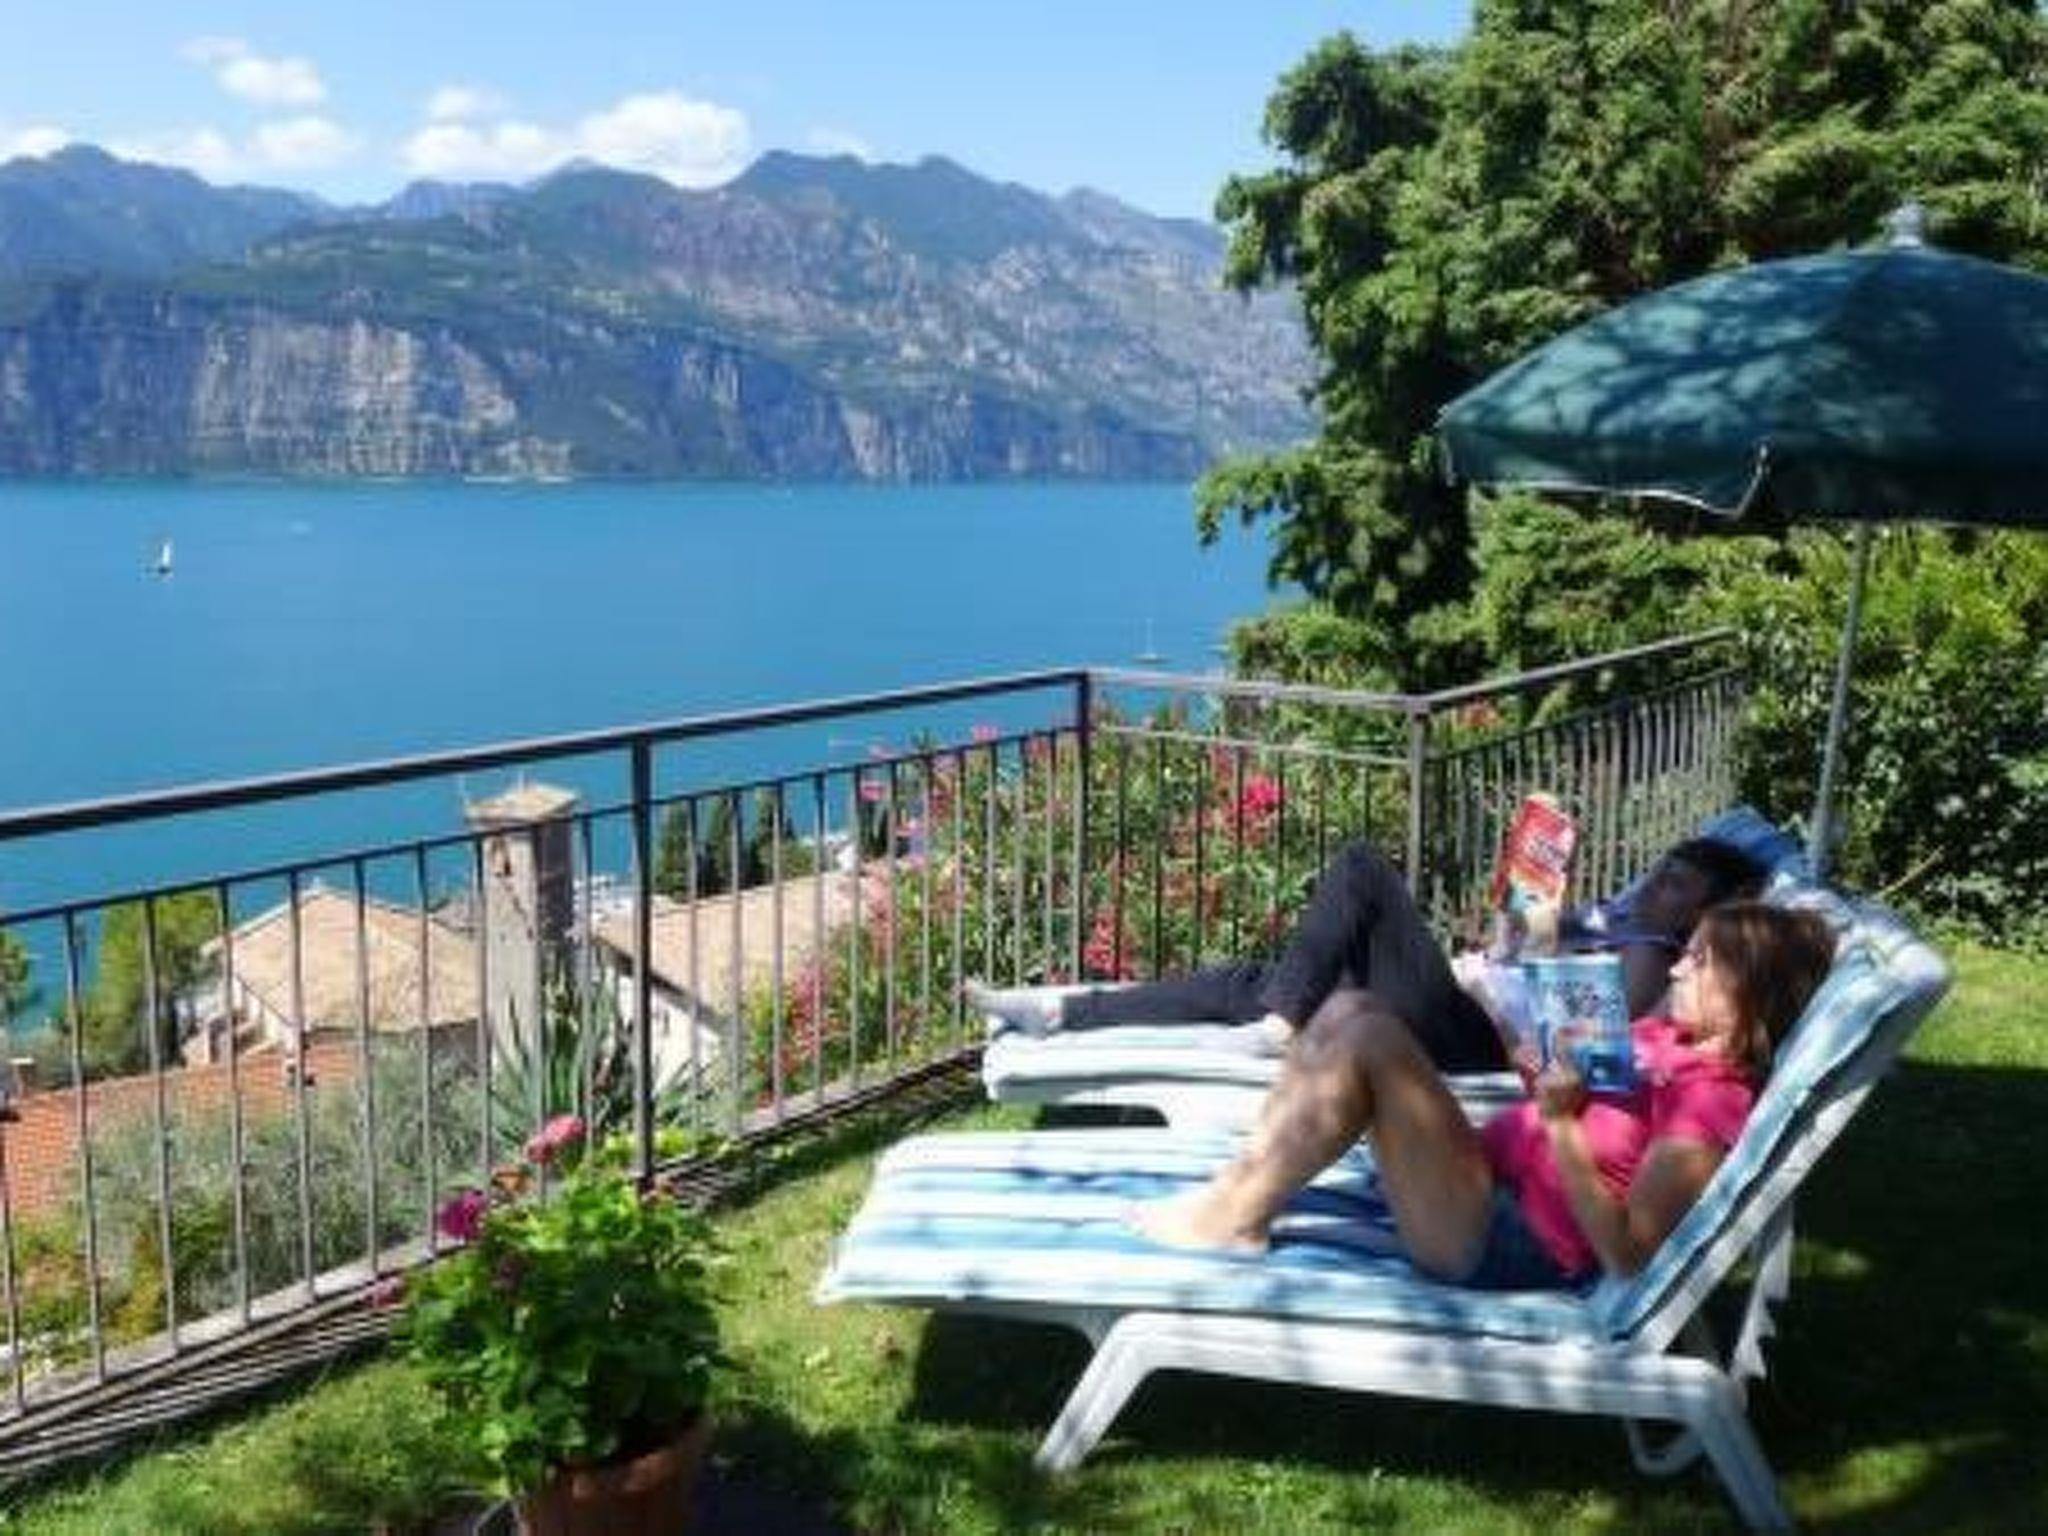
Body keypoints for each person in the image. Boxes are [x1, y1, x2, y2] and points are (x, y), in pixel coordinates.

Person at [1135, 900, 1837, 1287]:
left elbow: (1628, 1255)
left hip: (1506, 1243)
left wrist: (1559, 1125)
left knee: (1371, 1037)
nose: (1678, 968)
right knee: (1351, 1008)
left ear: (1749, 991)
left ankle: (1234, 1220)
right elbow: (1585, 1103)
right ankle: (1239, 1195)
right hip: (1488, 1180)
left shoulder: (1711, 1102)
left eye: (1701, 961)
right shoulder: (1666, 1038)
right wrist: (1534, 1054)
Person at [968, 835, 1767, 1074]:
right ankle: (1061, 1011)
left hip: (1476, 1042)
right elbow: (1522, 950)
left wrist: (1503, 975)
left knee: (1360, 870)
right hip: (1466, 1005)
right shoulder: (1619, 919)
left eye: (1676, 884)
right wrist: (1519, 925)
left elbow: (1581, 1048)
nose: (1656, 886)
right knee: (1251, 978)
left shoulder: (1653, 955)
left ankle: (1282, 1027)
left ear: (1703, 911)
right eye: (1662, 871)